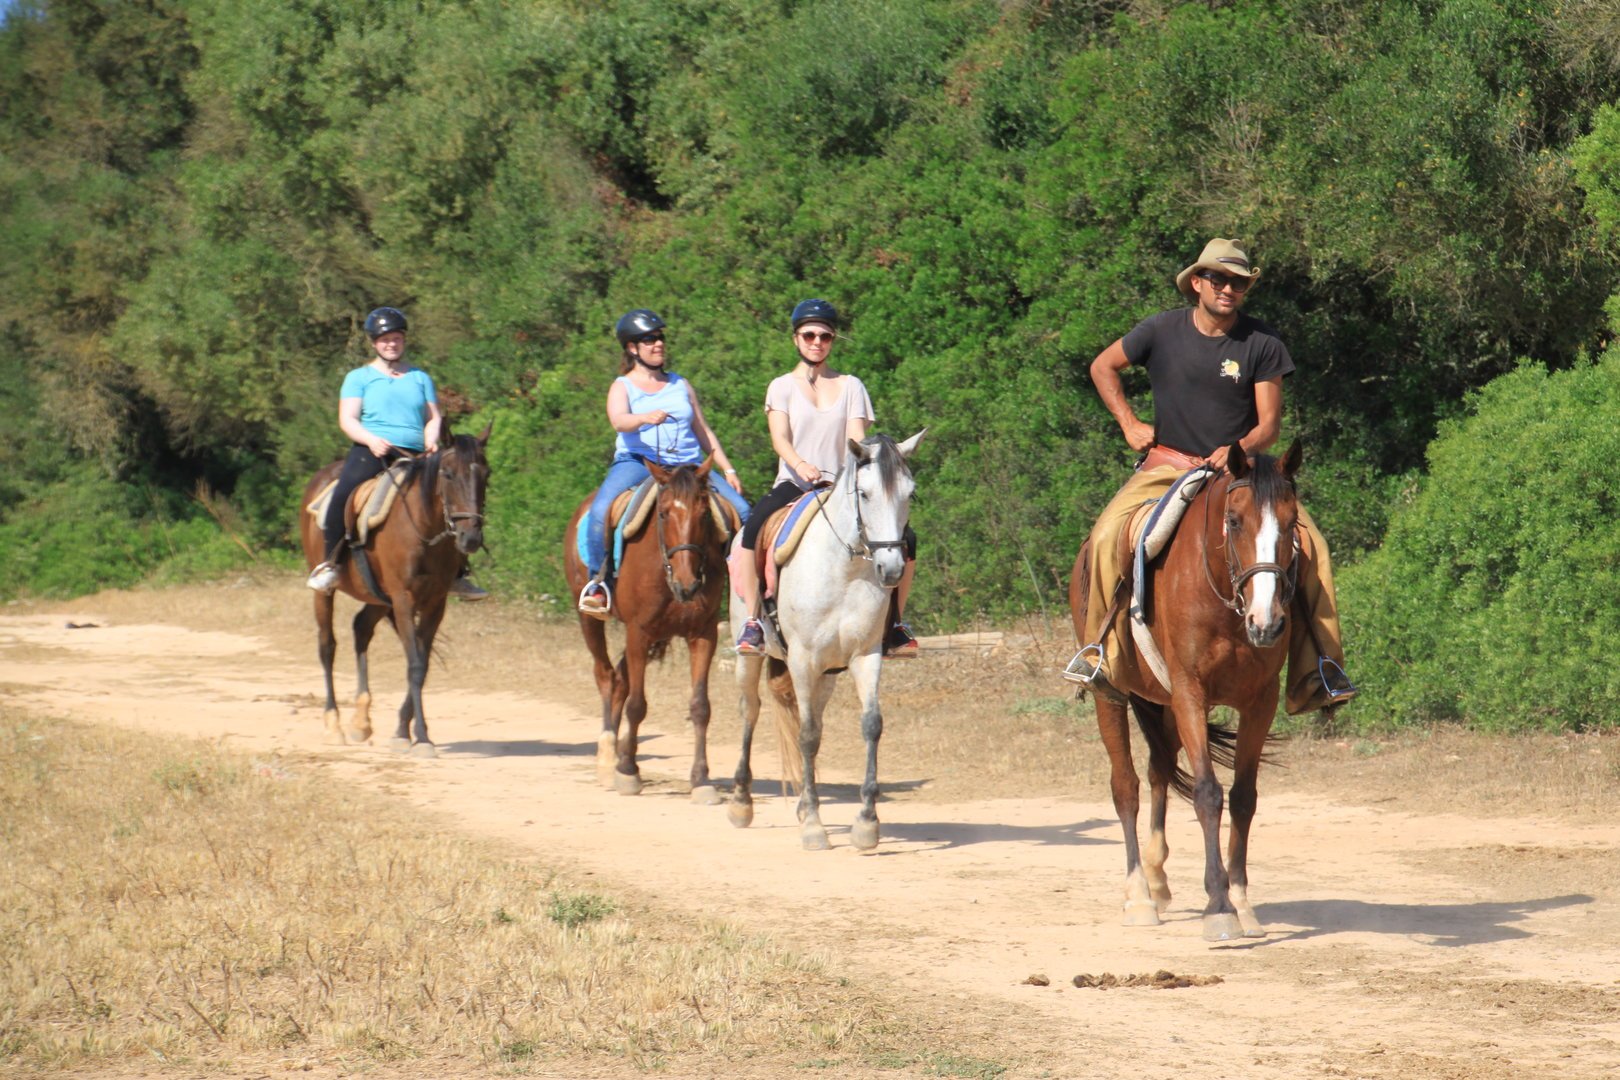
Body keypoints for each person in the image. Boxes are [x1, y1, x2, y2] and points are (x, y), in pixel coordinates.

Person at [1080, 238, 1353, 714]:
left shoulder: (1262, 343)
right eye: (1220, 279)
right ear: (1198, 283)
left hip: (1239, 476)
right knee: (1106, 537)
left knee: (1314, 548)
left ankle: (1321, 670)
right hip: (1165, 467)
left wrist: (1236, 452)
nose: (1229, 288)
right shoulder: (1160, 331)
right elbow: (1103, 366)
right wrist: (1128, 422)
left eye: (1239, 282)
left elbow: (1269, 424)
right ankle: (1099, 655)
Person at [732, 298, 919, 657]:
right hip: (794, 481)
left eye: (825, 336)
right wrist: (800, 465)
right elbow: (779, 439)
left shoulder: (852, 386)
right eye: (809, 335)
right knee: (753, 528)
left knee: (906, 539)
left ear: (832, 340)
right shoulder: (781, 386)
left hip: (842, 486)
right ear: (796, 339)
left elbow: (856, 439)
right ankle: (754, 620)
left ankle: (894, 624)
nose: (817, 342)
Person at [576, 309, 751, 618]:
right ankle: (597, 583)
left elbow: (703, 430)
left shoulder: (680, 385)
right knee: (601, 510)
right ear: (632, 348)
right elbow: (618, 420)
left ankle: (745, 593)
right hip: (638, 462)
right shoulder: (623, 386)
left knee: (744, 512)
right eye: (650, 339)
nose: (658, 344)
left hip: (689, 466)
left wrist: (728, 468)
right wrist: (644, 417)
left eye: (660, 338)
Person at [307, 307, 488, 600]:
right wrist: (371, 439)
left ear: (404, 340)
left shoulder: (420, 378)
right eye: (384, 339)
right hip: (372, 451)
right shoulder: (359, 378)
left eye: (396, 338)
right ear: (374, 343)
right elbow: (348, 419)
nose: (391, 344)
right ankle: (330, 565)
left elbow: (433, 417)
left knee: (452, 499)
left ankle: (458, 572)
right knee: (342, 496)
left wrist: (431, 439)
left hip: (417, 455)